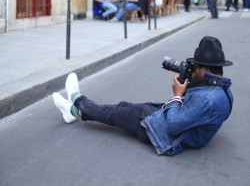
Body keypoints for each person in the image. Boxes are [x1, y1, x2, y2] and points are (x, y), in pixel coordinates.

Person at [53, 36, 233, 156]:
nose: (192, 70)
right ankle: (74, 112)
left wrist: (178, 95)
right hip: (166, 118)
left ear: (205, 69)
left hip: (161, 131)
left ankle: (77, 101)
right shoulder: (221, 89)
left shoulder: (208, 99)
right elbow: (198, 113)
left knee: (114, 113)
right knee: (123, 107)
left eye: (195, 68)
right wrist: (186, 92)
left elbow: (173, 125)